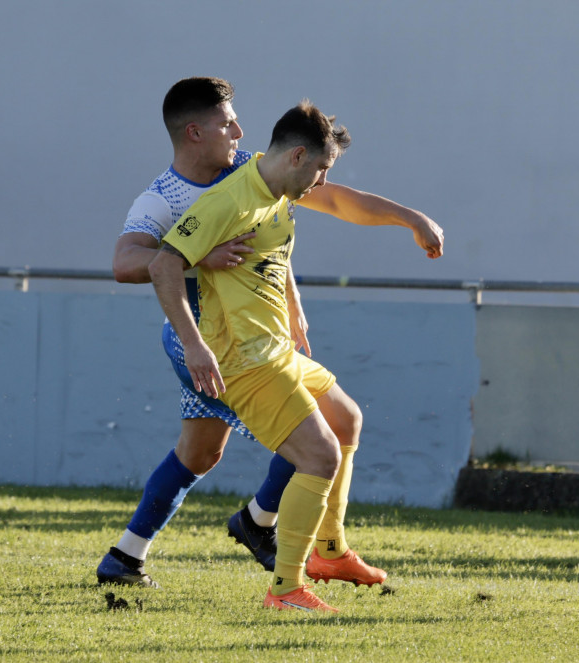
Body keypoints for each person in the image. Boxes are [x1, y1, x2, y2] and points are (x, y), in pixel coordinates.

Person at [96, 77, 444, 591]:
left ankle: (128, 554)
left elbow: (323, 208)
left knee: (202, 454)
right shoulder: (162, 198)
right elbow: (127, 262)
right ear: (194, 133)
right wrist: (199, 258)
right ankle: (266, 533)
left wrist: (294, 296)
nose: (239, 128)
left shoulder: (247, 169)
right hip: (205, 339)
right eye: (226, 121)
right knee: (313, 438)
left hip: (251, 333)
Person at [149, 99, 399, 612]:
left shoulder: (276, 188)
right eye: (322, 170)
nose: (322, 182)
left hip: (275, 351)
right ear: (298, 156)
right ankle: (285, 589)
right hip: (244, 360)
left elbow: (275, 252)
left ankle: (329, 552)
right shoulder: (229, 200)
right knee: (320, 456)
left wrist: (293, 303)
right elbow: (163, 264)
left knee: (346, 420)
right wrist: (194, 344)